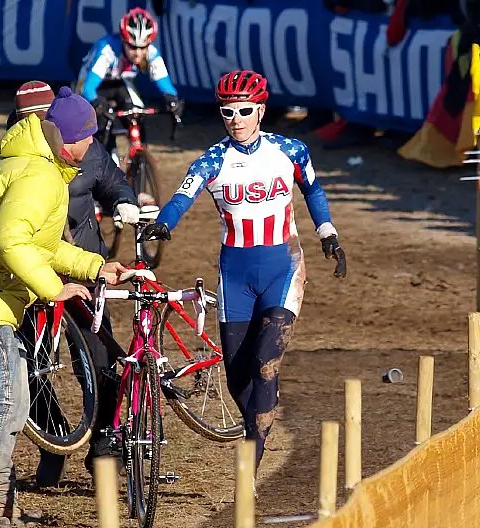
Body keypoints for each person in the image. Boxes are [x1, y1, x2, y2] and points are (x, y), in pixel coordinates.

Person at [0, 87, 127, 528]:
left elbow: (44, 243)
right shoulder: (38, 174)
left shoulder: (33, 165)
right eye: (87, 139)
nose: (90, 148)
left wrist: (96, 266)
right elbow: (10, 241)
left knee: (14, 401)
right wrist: (52, 289)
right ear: (68, 138)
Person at [143, 70, 346, 468]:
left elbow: (313, 190)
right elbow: (183, 197)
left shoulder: (291, 150)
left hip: (282, 267)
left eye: (244, 110)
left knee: (266, 360)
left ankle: (253, 450)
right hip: (235, 274)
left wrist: (328, 233)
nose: (235, 118)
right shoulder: (213, 160)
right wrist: (165, 223)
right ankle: (259, 419)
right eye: (226, 111)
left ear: (261, 111)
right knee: (238, 374)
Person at [0, 82, 139, 488]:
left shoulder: (85, 148)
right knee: (29, 364)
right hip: (31, 275)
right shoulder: (6, 159)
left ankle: (104, 445)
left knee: (103, 360)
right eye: (29, 120)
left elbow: (111, 178)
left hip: (83, 268)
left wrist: (124, 201)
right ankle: (54, 442)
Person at [76, 8, 180, 114]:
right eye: (132, 47)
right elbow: (87, 88)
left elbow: (167, 86)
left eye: (143, 47)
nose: (138, 53)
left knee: (136, 112)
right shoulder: (107, 51)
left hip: (120, 84)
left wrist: (172, 99)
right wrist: (97, 103)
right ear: (123, 40)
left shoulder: (152, 52)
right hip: (89, 85)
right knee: (100, 116)